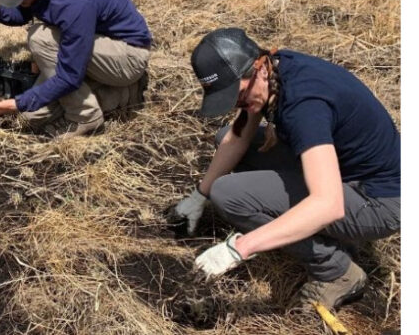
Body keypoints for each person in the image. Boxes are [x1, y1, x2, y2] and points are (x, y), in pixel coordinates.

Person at [169, 28, 399, 310]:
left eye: (239, 95)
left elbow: (329, 205)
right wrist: (199, 195)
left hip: (378, 200)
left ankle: (337, 271)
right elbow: (237, 136)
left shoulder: (303, 106)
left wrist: (239, 248)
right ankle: (329, 233)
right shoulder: (275, 69)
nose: (238, 104)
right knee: (225, 141)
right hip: (342, 171)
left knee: (229, 195)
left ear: (259, 69)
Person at [0, 0, 151, 138]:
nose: (17, 0)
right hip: (92, 41)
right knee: (32, 117)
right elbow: (25, 10)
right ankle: (108, 92)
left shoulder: (74, 2)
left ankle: (86, 116)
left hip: (126, 55)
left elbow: (69, 77)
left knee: (40, 38)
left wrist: (14, 104)